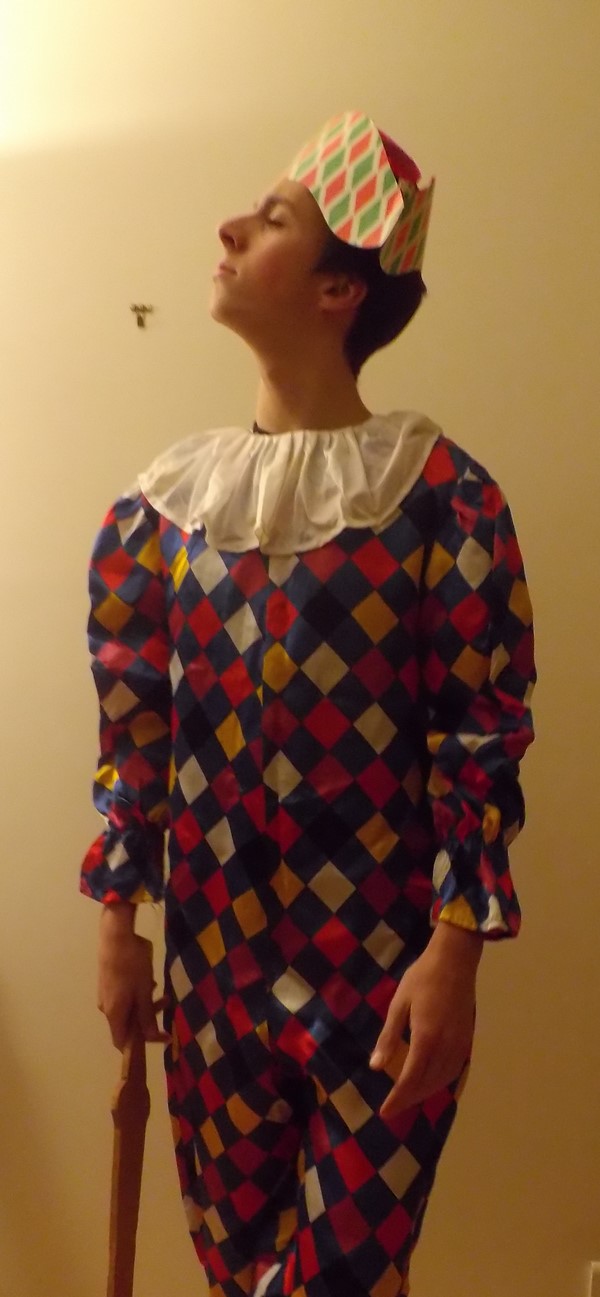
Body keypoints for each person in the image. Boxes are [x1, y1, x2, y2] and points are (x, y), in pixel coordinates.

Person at [82, 110, 535, 1297]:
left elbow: (477, 740)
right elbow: (137, 734)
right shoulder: (162, 515)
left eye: (272, 218)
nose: (229, 229)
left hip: (383, 977)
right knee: (238, 1271)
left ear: (341, 288)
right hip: (213, 978)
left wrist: (457, 955)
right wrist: (119, 923)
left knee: (347, 1279)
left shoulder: (443, 501)